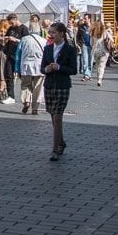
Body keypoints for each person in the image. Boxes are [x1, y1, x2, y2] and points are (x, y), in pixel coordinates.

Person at [40, 22, 77, 161]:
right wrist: (46, 69)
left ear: (62, 33)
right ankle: (61, 141)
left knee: (57, 116)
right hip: (49, 85)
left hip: (62, 86)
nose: (51, 35)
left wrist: (59, 67)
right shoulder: (48, 48)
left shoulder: (69, 49)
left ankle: (55, 148)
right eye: (50, 32)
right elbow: (42, 67)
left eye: (54, 32)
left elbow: (73, 70)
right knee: (52, 114)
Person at [17, 26, 45, 115]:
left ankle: (26, 101)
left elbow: (18, 54)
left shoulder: (24, 39)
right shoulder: (43, 41)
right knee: (38, 87)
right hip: (39, 66)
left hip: (26, 65)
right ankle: (35, 107)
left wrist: (17, 68)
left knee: (25, 85)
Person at [1, 13, 28, 103]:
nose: (10, 24)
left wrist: (15, 40)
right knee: (8, 75)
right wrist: (4, 39)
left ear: (16, 19)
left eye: (11, 22)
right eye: (9, 23)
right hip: (10, 54)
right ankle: (11, 96)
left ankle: (27, 97)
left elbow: (26, 42)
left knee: (23, 77)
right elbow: (7, 38)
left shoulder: (24, 29)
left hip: (20, 55)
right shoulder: (11, 28)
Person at [90, 18, 113, 86]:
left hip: (96, 51)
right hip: (104, 51)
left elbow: (91, 43)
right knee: (102, 65)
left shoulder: (92, 33)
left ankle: (98, 77)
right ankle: (100, 79)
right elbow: (111, 39)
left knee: (97, 65)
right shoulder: (105, 32)